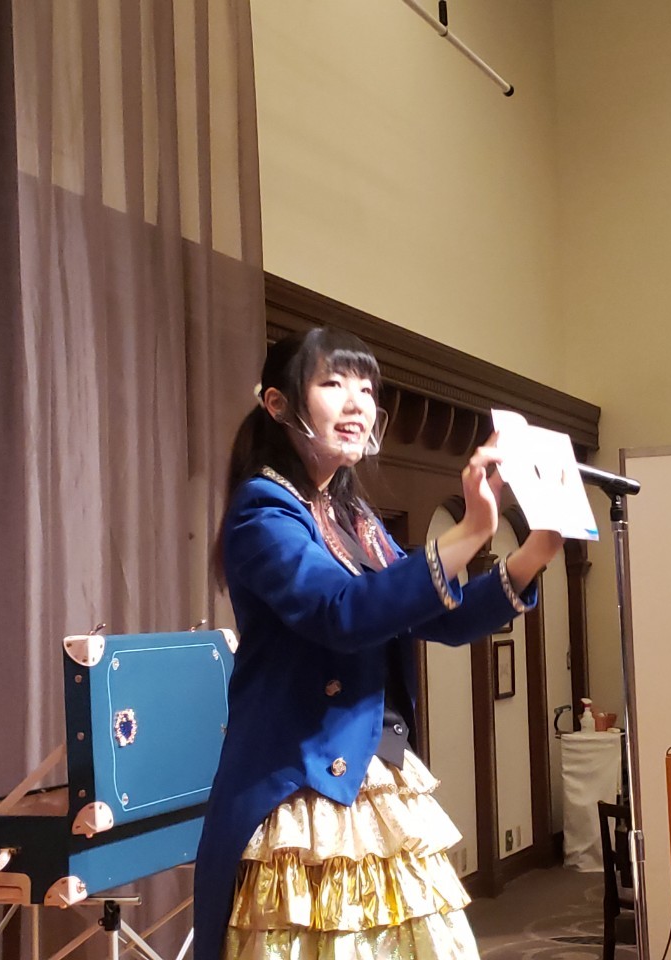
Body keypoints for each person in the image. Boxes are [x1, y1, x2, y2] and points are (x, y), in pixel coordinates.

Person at [194, 327, 565, 960]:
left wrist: (533, 552)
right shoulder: (263, 510)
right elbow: (341, 613)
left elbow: (439, 618)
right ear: (278, 404)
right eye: (332, 383)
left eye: (367, 389)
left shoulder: (354, 516)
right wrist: (472, 529)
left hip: (375, 767)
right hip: (299, 782)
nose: (357, 403)